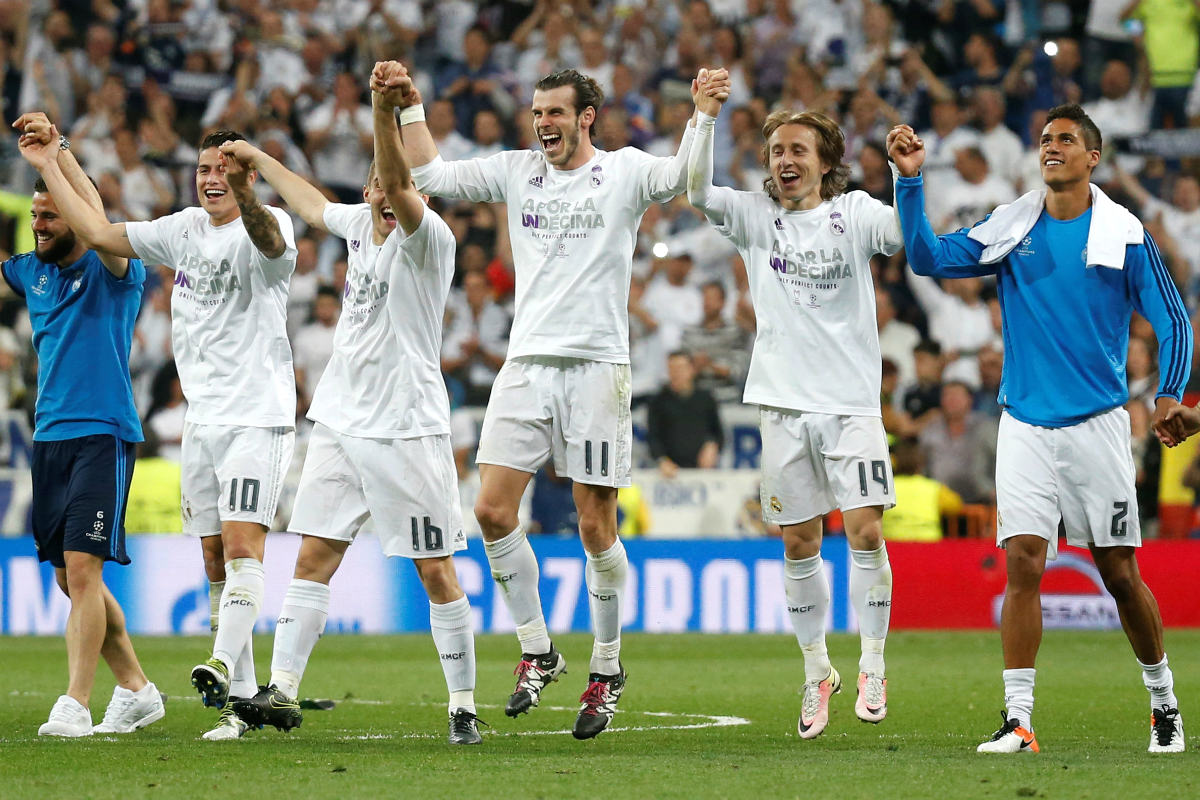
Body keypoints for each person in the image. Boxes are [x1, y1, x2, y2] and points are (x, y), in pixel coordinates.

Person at [385, 63, 726, 739]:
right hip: (526, 363)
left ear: (586, 116)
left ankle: (606, 669)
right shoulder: (518, 172)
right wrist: (409, 108)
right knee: (488, 509)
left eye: (555, 113)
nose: (543, 124)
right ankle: (538, 649)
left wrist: (705, 115)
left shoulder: (624, 171)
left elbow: (689, 179)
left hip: (597, 366)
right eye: (537, 113)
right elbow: (432, 176)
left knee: (595, 526)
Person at [888, 103, 1190, 755]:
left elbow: (1173, 321)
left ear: (1093, 158)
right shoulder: (1011, 225)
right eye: (1045, 138)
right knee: (1023, 563)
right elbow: (926, 256)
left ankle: (1163, 702)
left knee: (1117, 572)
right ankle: (1018, 721)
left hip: (1098, 427)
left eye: (1066, 140)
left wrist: (1168, 393)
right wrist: (909, 182)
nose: (1051, 147)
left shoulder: (1123, 234)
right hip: (1024, 425)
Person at [218, 63, 481, 745]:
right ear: (365, 195)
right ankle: (282, 691)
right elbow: (310, 205)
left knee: (436, 572)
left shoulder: (431, 240)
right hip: (339, 421)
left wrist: (381, 108)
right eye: (374, 191)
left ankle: (461, 704)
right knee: (313, 558)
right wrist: (261, 158)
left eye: (394, 191)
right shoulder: (362, 227)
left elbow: (399, 180)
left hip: (407, 427)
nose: (385, 199)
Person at [24, 119, 299, 741]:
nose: (209, 179)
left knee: (240, 545)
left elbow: (267, 240)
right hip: (201, 419)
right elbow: (95, 231)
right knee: (210, 555)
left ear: (247, 177)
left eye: (222, 169)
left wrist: (248, 194)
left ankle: (225, 672)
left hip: (257, 412)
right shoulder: (181, 231)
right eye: (202, 169)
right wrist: (55, 159)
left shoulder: (270, 223)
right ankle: (246, 702)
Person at [686, 75, 903, 739]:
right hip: (781, 408)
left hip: (850, 407)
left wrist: (909, 180)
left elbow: (906, 240)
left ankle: (872, 664)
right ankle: (817, 673)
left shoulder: (858, 212)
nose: (784, 159)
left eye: (798, 150)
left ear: (827, 160)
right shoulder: (757, 217)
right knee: (799, 544)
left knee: (865, 532)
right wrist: (704, 117)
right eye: (777, 149)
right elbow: (695, 192)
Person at [11, 113, 164, 737]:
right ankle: (137, 689)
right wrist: (50, 166)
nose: (42, 225)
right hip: (49, 439)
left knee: (82, 570)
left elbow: (96, 214)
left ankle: (75, 702)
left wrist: (56, 156)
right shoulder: (29, 271)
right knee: (72, 579)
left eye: (51, 214)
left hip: (104, 431)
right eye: (36, 217)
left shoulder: (114, 270)